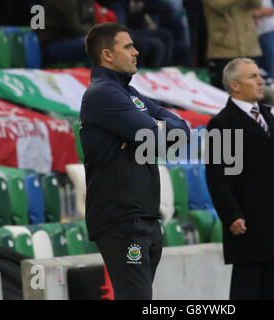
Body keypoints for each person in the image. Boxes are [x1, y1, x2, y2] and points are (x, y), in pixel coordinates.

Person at [79, 22, 190, 300]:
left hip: (144, 217)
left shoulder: (129, 94)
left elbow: (182, 128)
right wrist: (153, 129)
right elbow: (154, 136)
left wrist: (150, 130)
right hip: (122, 219)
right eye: (128, 46)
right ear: (107, 55)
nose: (136, 51)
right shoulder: (102, 94)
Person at [205, 58, 274, 300]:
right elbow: (218, 177)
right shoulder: (222, 124)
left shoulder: (268, 117)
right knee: (247, 290)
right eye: (253, 77)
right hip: (248, 225)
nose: (261, 81)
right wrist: (231, 215)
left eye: (259, 75)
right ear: (235, 86)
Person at [202, 0, 263, 90]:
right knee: (226, 94)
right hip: (223, 51)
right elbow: (220, 5)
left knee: (252, 92)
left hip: (250, 48)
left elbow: (257, 4)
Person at [35, 0, 94, 66]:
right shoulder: (66, 2)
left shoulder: (88, 2)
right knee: (92, 44)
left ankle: (94, 74)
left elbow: (92, 24)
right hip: (49, 46)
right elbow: (75, 29)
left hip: (70, 40)